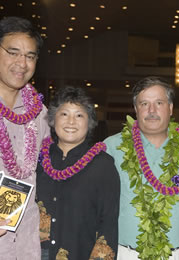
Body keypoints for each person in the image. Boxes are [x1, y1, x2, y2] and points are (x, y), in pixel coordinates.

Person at [0, 16, 49, 259]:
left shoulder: (40, 114)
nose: (22, 63)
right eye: (13, 52)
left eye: (30, 56)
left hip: (24, 249)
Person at [104, 76, 179, 260]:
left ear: (170, 108)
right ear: (136, 109)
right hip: (125, 254)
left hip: (175, 255)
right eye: (144, 103)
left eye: (159, 103)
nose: (151, 110)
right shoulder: (112, 148)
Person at [36, 86, 120, 260]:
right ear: (53, 119)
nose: (71, 122)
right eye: (64, 114)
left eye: (79, 115)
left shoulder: (103, 165)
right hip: (34, 253)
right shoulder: (37, 160)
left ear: (89, 122)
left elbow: (108, 224)